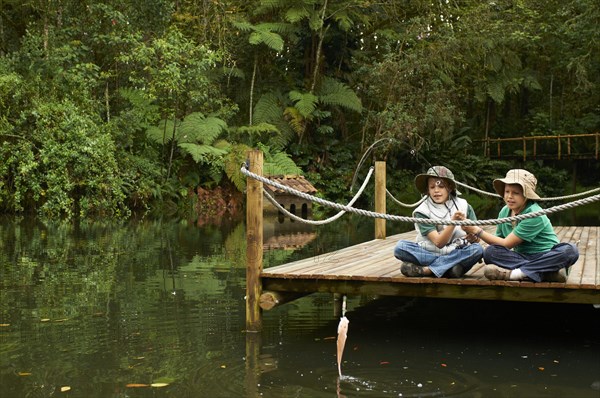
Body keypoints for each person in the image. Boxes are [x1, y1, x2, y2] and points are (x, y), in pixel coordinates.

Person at [462, 169, 579, 282]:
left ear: (526, 195)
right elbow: (499, 243)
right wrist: (475, 236)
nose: (509, 196)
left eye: (516, 193)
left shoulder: (534, 213)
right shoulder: (504, 211)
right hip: (521, 257)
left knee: (571, 251)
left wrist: (478, 231)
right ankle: (547, 273)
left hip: (545, 256)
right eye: (507, 192)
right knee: (490, 252)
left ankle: (516, 274)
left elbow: (507, 244)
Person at [394, 166, 484, 278]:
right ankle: (450, 268)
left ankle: (428, 270)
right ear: (427, 190)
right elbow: (439, 243)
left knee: (477, 250)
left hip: (456, 251)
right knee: (400, 247)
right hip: (429, 252)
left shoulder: (465, 205)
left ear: (450, 187)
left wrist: (473, 237)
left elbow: (477, 239)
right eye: (432, 187)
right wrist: (453, 222)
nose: (436, 190)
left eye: (441, 186)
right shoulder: (422, 211)